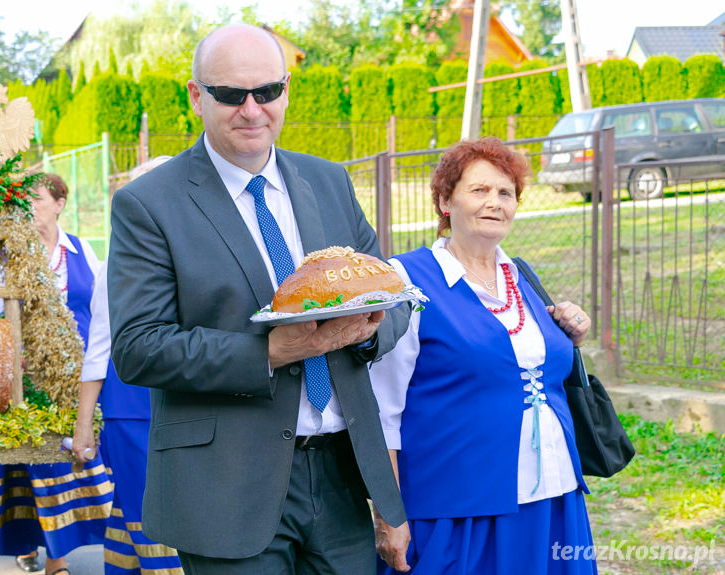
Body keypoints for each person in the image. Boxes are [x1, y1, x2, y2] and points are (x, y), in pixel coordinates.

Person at [107, 24, 409, 575]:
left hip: (342, 475)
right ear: (197, 96)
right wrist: (271, 352)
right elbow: (138, 348)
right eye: (229, 95)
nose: (252, 110)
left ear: (286, 89)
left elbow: (393, 294)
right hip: (227, 486)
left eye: (267, 92)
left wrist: (366, 329)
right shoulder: (148, 205)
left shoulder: (329, 181)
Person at [369, 138, 597, 575]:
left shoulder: (520, 276)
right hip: (458, 508)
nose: (494, 202)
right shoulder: (406, 280)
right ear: (444, 201)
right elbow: (383, 411)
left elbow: (523, 364)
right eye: (479, 190)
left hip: (553, 495)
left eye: (505, 193)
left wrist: (571, 338)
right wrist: (389, 515)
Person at [0, 174, 113, 575]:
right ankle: (48, 555)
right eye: (23, 200)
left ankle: (53, 545)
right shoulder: (10, 254)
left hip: (77, 375)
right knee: (37, 464)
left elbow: (99, 307)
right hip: (28, 379)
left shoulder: (82, 250)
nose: (29, 206)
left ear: (59, 204)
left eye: (36, 198)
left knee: (70, 459)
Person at [71, 156, 183, 575]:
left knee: (133, 512)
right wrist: (84, 424)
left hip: (185, 400)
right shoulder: (115, 262)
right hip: (131, 407)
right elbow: (98, 346)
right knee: (152, 511)